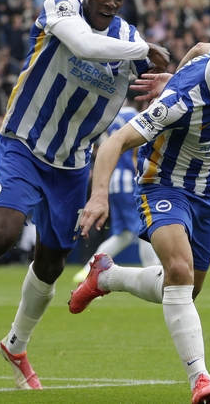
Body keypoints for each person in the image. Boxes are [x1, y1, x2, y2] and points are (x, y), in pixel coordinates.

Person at [0, 0, 169, 391]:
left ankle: (15, 344)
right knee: (2, 234)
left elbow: (161, 86)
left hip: (73, 162)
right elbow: (84, 46)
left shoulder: (130, 39)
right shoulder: (60, 7)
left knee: (52, 261)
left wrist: (164, 79)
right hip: (22, 142)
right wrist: (142, 51)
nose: (112, 2)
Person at [71, 20, 210, 404]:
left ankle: (107, 277)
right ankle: (200, 379)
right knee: (178, 270)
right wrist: (98, 197)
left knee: (185, 290)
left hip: (208, 192)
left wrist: (175, 73)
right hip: (164, 185)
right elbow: (114, 143)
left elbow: (198, 46)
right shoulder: (180, 101)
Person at [71, 102, 161, 284]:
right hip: (129, 180)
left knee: (124, 235)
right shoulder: (137, 116)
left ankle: (88, 269)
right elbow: (139, 149)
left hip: (112, 181)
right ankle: (156, 272)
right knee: (144, 227)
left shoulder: (112, 116)